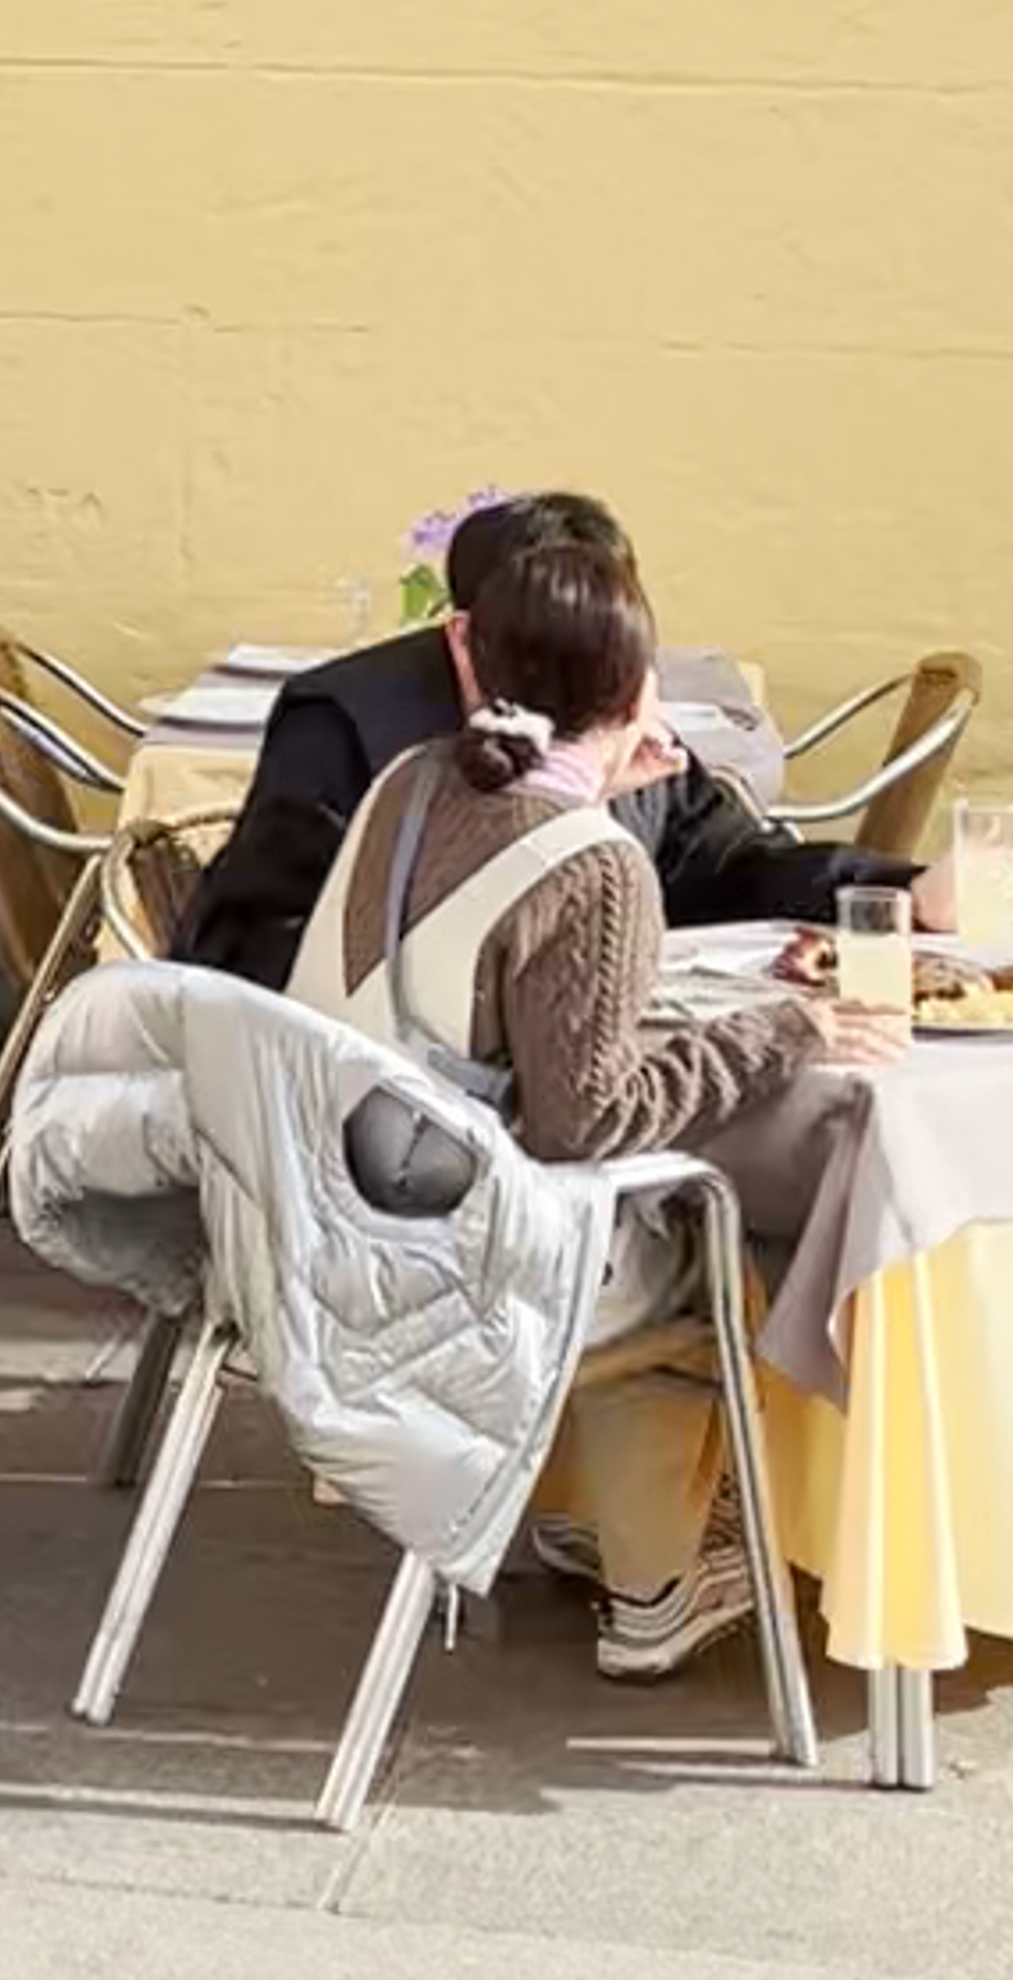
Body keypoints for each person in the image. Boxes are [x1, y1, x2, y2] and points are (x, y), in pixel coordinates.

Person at [302, 518, 868, 1681]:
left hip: (322, 1210)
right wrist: (787, 1031)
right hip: (463, 1268)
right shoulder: (594, 865)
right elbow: (589, 1119)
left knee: (638, 1201)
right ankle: (659, 1571)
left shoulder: (412, 781)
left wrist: (606, 779)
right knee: (714, 1225)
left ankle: (578, 1510)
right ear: (637, 684)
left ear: (476, 662)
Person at [182, 485, 944, 990]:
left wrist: (901, 890)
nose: (587, 670)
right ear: (463, 635)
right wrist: (567, 806)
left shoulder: (613, 701)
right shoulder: (348, 725)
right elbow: (255, 950)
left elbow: (732, 862)